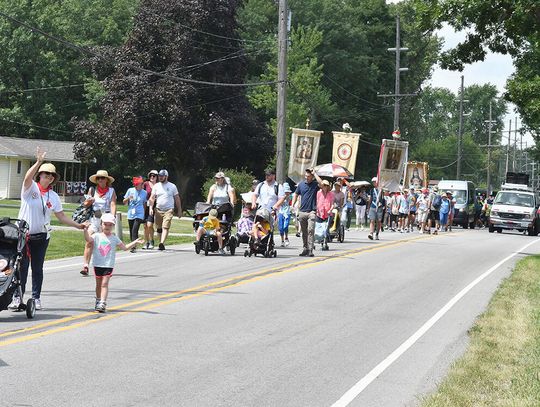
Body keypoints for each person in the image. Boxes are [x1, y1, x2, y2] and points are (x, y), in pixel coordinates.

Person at [9, 147, 86, 311]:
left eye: (52, 175)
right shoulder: (30, 188)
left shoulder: (54, 196)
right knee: (21, 267)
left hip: (42, 236)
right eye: (46, 174)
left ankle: (36, 298)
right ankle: (17, 297)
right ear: (40, 175)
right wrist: (38, 162)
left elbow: (61, 217)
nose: (49, 177)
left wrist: (78, 225)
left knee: (37, 268)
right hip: (23, 235)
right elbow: (27, 177)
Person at [84, 213, 143, 312]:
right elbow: (88, 239)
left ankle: (103, 302)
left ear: (113, 226)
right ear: (101, 224)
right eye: (105, 224)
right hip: (97, 264)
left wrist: (135, 242)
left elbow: (124, 248)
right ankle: (98, 300)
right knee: (98, 284)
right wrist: (85, 230)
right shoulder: (96, 236)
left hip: (108, 265)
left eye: (110, 225)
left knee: (104, 284)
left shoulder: (114, 238)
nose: (107, 226)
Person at [81, 170, 117, 276]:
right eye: (98, 178)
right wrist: (90, 201)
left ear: (107, 180)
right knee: (89, 241)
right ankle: (85, 266)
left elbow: (113, 204)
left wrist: (112, 218)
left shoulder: (111, 191)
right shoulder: (92, 190)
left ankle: (104, 266)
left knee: (103, 244)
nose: (100, 180)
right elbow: (85, 204)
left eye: (102, 178)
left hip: (105, 220)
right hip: (94, 219)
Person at [291, 168, 324, 257]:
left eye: (308, 176)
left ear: (312, 177)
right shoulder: (301, 185)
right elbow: (296, 194)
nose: (306, 177)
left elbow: (322, 184)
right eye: (306, 176)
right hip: (302, 211)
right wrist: (293, 204)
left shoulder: (315, 185)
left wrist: (315, 174)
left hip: (311, 212)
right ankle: (305, 248)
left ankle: (310, 249)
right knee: (304, 232)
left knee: (310, 230)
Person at [148, 169, 182, 251]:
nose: (160, 177)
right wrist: (150, 208)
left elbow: (177, 199)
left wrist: (179, 210)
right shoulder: (156, 186)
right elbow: (152, 198)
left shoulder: (172, 186)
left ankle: (162, 243)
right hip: (158, 210)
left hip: (169, 210)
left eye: (162, 176)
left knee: (165, 226)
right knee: (159, 228)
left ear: (166, 176)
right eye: (159, 176)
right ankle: (161, 243)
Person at [123, 176, 148, 253]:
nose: (142, 185)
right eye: (141, 184)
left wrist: (143, 213)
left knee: (135, 229)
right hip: (131, 213)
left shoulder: (144, 192)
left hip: (139, 214)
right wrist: (128, 198)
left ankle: (133, 247)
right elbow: (124, 202)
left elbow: (144, 203)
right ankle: (133, 245)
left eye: (142, 183)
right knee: (131, 230)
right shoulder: (130, 190)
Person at [142, 170, 158, 249]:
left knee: (150, 225)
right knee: (145, 226)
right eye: (151, 175)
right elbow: (141, 193)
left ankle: (151, 241)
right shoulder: (146, 184)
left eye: (154, 175)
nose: (152, 177)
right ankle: (146, 242)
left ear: (157, 177)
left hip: (154, 207)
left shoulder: (159, 185)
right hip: (145, 206)